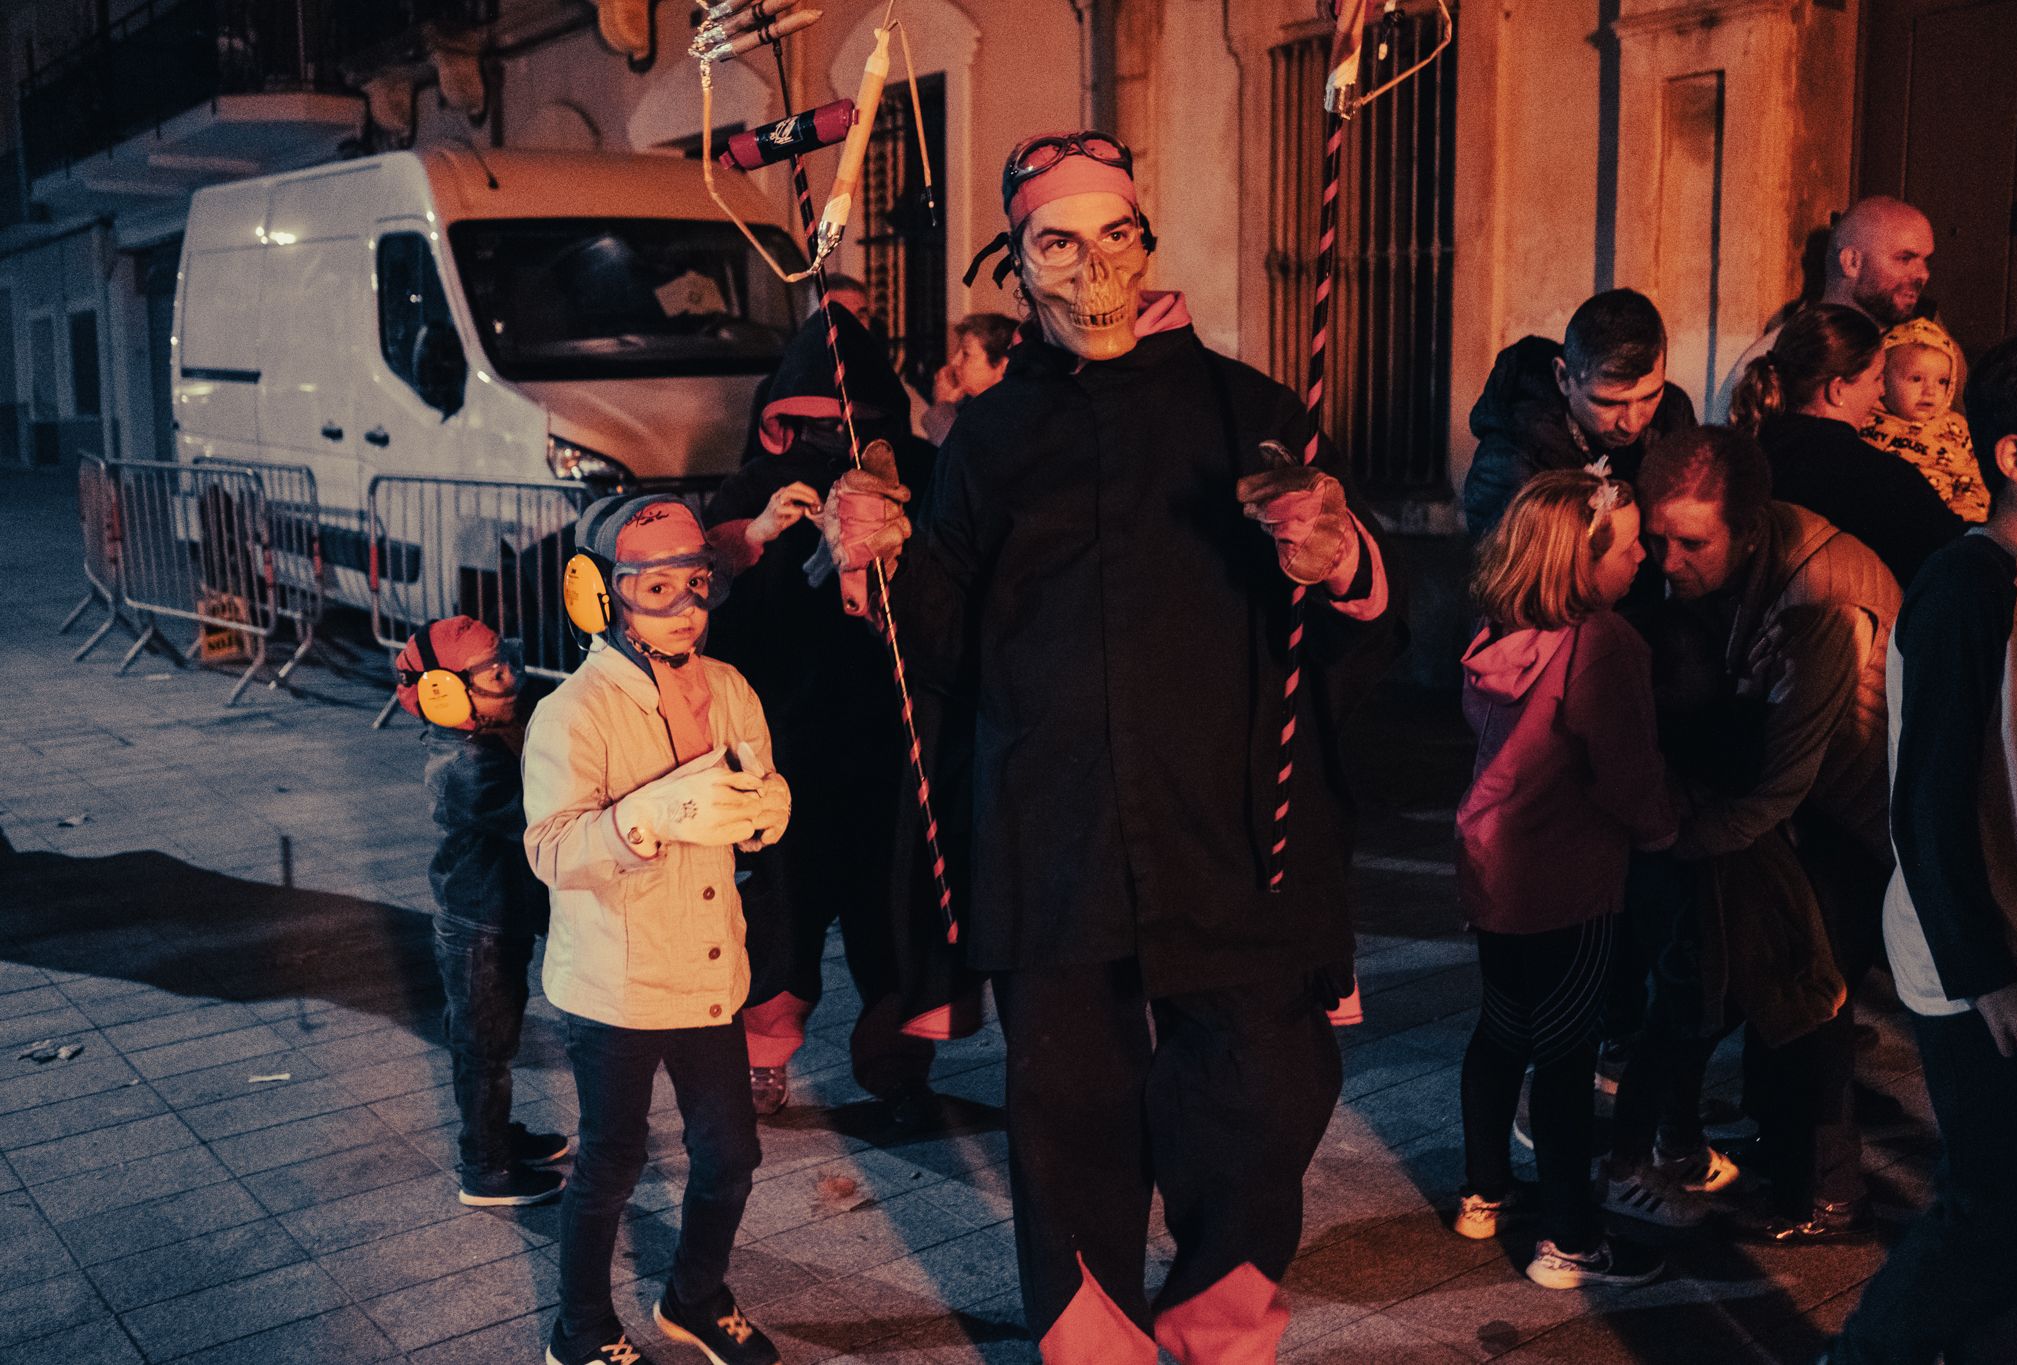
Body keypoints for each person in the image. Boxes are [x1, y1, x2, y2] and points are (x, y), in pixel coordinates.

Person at [817, 130, 1400, 1363]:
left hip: (1235, 830)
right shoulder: (988, 440)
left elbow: (1347, 623)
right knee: (1070, 1114)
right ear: (1015, 269)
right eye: (1056, 243)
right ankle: (1090, 1342)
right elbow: (943, 643)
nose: (1092, 268)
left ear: (1147, 242)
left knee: (1259, 1097)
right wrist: (874, 563)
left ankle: (1219, 1319)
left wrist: (1337, 558)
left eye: (1114, 235)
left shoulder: (1250, 407)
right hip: (1055, 833)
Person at [524, 496, 791, 1365]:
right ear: (600, 596)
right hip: (615, 982)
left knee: (731, 1151)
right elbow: (551, 849)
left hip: (710, 973)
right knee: (613, 1157)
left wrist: (764, 812)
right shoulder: (573, 713)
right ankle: (582, 1324)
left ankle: (694, 1294)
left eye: (696, 585)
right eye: (657, 588)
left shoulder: (729, 686)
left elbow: (761, 782)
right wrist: (648, 815)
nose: (684, 609)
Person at [1828, 330, 2017, 1364]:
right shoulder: (1970, 587)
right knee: (1993, 1206)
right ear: (2015, 457)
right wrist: (1987, 977)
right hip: (1983, 969)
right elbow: (1923, 807)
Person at [1633, 428, 1902, 1243]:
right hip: (1805, 812)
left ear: (1747, 529)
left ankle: (1826, 1194)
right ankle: (1786, 1158)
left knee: (1810, 993)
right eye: (1654, 536)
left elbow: (1777, 786)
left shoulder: (1822, 595)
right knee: (1764, 980)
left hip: (1861, 823)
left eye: (1689, 542)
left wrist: (1670, 838)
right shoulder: (1748, 562)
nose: (1666, 559)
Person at [702, 303, 954, 1122]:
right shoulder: (756, 486)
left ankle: (896, 1054)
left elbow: (953, 589)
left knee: (895, 905)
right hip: (790, 738)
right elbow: (720, 607)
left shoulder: (923, 469)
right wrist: (784, 553)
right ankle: (763, 1053)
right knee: (782, 905)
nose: (833, 433)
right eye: (806, 421)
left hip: (892, 735)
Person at [1454, 464, 1674, 1289]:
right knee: (1566, 1050)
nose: (1646, 555)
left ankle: (1484, 1192)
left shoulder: (1496, 631)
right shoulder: (1602, 642)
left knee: (1501, 1026)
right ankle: (1569, 1238)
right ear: (1584, 560)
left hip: (1491, 863)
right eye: (1632, 541)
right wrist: (1662, 831)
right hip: (1569, 876)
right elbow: (1625, 769)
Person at [393, 616, 567, 1208]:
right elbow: (538, 817)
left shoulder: (490, 733)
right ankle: (486, 1167)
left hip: (502, 916)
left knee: (497, 1036)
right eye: (494, 670)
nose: (511, 676)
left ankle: (497, 1135)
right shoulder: (466, 767)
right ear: (445, 696)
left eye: (506, 660)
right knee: (483, 1047)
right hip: (479, 927)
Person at [1730, 303, 1965, 587]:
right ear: (1837, 390)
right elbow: (1954, 561)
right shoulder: (1881, 479)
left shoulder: (1744, 455)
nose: (1881, 391)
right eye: (1877, 377)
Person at [1464, 288, 1697, 543]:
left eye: (1649, 397)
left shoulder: (1673, 412)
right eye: (1608, 403)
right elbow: (1512, 572)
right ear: (1563, 378)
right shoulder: (1511, 456)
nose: (1631, 423)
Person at [1712, 196, 1936, 422]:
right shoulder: (1782, 356)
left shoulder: (1932, 351)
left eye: (1925, 261)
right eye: (1905, 258)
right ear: (1851, 262)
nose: (1922, 275)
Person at [1860, 317, 1990, 522]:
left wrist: (1961, 520)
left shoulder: (1956, 428)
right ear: (1882, 379)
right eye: (1916, 379)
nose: (1930, 391)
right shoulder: (1864, 421)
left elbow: (1974, 482)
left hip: (1941, 522)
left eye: (1942, 381)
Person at [922, 312, 1018, 443]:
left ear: (1003, 365)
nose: (955, 362)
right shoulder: (969, 404)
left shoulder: (1012, 413)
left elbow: (963, 453)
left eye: (966, 354)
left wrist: (942, 405)